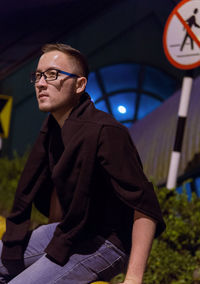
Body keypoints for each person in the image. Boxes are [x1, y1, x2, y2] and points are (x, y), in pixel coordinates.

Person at [0, 43, 165, 284]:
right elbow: (60, 188)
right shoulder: (54, 129)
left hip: (107, 241)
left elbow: (145, 206)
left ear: (79, 85)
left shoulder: (105, 131)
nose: (41, 83)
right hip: (71, 231)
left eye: (52, 74)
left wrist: (134, 278)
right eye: (37, 76)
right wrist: (52, 249)